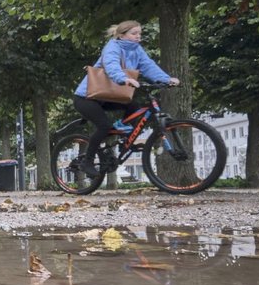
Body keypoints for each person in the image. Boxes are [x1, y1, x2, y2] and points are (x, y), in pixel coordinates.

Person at [72, 20, 179, 177]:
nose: (138, 37)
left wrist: (166, 79)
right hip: (86, 97)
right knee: (103, 126)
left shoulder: (137, 50)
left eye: (139, 34)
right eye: (134, 33)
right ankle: (87, 161)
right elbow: (111, 65)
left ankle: (123, 139)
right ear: (122, 35)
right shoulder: (112, 47)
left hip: (107, 96)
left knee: (134, 107)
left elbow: (149, 66)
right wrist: (123, 79)